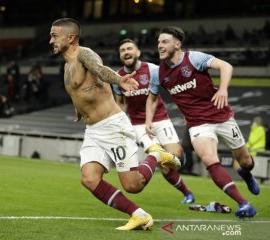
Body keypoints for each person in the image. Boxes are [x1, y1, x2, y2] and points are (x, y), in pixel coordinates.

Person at [49, 18, 181, 231]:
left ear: (70, 37)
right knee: (89, 178)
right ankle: (139, 215)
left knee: (133, 185)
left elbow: (101, 70)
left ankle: (156, 155)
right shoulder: (66, 67)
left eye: (54, 36)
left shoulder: (84, 54)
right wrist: (79, 111)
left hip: (113, 126)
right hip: (93, 130)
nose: (50, 41)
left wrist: (119, 80)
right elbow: (81, 91)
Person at [146, 26, 259, 219]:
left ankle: (246, 173)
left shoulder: (194, 58)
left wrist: (223, 90)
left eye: (164, 41)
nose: (160, 45)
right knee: (209, 159)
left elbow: (226, 66)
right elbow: (152, 97)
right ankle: (244, 203)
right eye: (158, 42)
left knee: (246, 161)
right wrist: (148, 120)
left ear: (177, 44)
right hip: (198, 124)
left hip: (221, 116)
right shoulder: (159, 73)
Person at [113, 38, 195, 204]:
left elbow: (174, 90)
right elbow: (120, 104)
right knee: (164, 165)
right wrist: (119, 125)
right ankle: (187, 193)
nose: (126, 52)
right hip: (138, 125)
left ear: (138, 53)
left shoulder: (153, 70)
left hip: (160, 119)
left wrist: (186, 111)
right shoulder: (118, 77)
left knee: (175, 158)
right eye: (122, 50)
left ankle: (181, 154)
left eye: (129, 48)